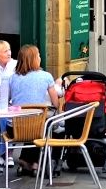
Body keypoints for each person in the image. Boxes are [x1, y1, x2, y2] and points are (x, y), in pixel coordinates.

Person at [7, 44, 64, 175]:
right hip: (36, 128)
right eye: (38, 55)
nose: (40, 58)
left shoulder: (12, 78)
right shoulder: (46, 76)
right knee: (50, 126)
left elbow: (6, 101)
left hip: (15, 128)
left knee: (35, 124)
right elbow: (55, 103)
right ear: (34, 59)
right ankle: (37, 163)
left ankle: (26, 160)